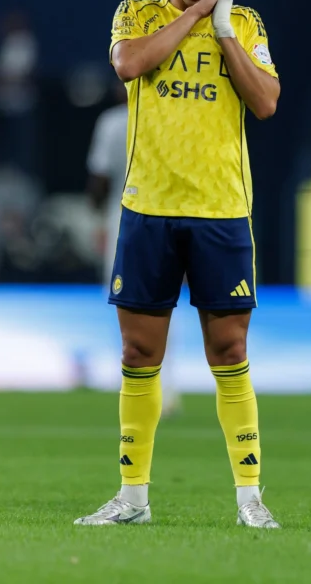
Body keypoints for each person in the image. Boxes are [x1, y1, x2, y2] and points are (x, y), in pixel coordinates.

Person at [75, 0, 281, 528]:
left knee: (230, 347)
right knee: (140, 353)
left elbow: (267, 101)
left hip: (221, 210)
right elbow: (130, 64)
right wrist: (195, 11)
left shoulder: (245, 25)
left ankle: (251, 498)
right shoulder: (136, 13)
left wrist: (220, 28)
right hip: (148, 209)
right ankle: (132, 497)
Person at [86, 82, 182, 418]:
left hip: (123, 217)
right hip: (167, 216)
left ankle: (135, 385)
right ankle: (167, 390)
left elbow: (98, 179)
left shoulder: (112, 122)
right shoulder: (171, 117)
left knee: (125, 308)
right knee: (165, 307)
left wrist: (96, 217)